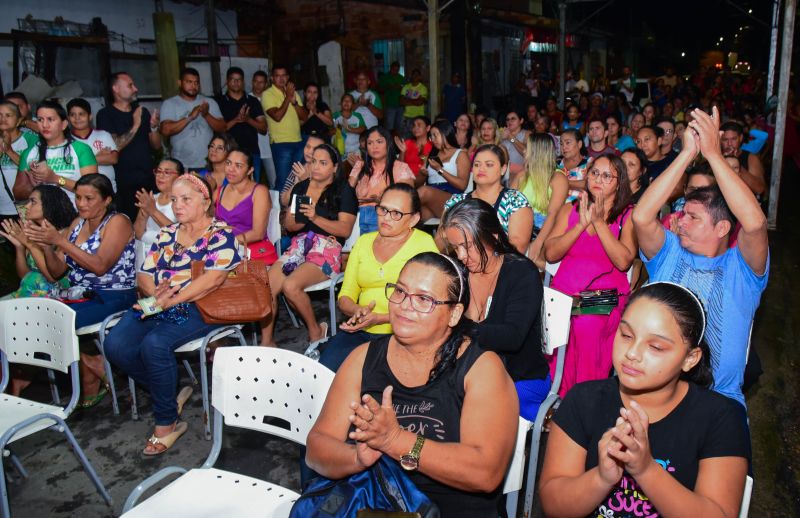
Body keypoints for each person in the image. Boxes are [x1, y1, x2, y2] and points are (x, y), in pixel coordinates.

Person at [306, 252, 519, 518]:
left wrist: (396, 440)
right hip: (373, 503)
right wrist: (356, 459)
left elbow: (486, 472)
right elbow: (316, 447)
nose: (405, 305)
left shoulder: (481, 370)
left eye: (424, 299)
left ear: (454, 314)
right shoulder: (363, 358)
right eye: (400, 292)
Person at [539, 282, 749, 518]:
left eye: (656, 347)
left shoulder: (720, 418)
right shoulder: (583, 400)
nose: (632, 353)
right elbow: (554, 505)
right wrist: (601, 478)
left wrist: (646, 469)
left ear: (690, 358)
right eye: (626, 335)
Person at [633, 107, 769, 408]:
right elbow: (642, 216)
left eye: (692, 217)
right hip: (657, 392)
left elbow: (756, 223)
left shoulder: (741, 269)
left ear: (722, 228)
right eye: (682, 213)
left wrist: (714, 155)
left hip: (717, 401)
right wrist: (687, 153)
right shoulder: (668, 252)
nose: (680, 221)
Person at [104, 173, 243, 455]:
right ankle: (166, 393)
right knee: (114, 344)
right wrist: (157, 295)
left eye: (186, 199)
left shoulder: (221, 234)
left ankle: (167, 424)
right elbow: (144, 272)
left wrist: (172, 299)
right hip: (158, 300)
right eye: (175, 199)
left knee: (155, 345)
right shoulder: (167, 233)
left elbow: (213, 280)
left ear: (205, 203)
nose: (177, 205)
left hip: (197, 306)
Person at [23, 174, 137, 408]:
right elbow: (56, 272)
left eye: (89, 198)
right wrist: (46, 247)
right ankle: (93, 364)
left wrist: (61, 242)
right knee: (33, 321)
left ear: (106, 200)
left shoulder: (118, 221)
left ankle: (91, 370)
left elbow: (100, 265)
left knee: (53, 324)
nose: (82, 203)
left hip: (114, 296)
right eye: (78, 198)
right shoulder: (77, 225)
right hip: (80, 296)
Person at [442, 199, 550, 421]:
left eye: (468, 245)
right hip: (472, 373)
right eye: (455, 248)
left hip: (519, 377)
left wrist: (456, 328)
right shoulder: (461, 273)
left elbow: (512, 337)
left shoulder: (521, 272)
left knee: (468, 408)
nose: (461, 255)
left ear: (493, 236)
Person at [317, 184, 437, 371]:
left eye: (396, 213)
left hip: (404, 334)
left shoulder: (423, 244)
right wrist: (358, 311)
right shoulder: (364, 242)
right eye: (383, 209)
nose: (386, 218)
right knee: (325, 369)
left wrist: (380, 318)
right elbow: (346, 295)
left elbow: (428, 304)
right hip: (361, 330)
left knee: (374, 376)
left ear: (413, 219)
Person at [545, 153, 636, 397]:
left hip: (605, 297)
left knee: (584, 324)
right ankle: (558, 396)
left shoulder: (627, 215)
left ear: (619, 182)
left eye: (607, 175)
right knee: (556, 321)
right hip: (564, 294)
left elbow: (624, 261)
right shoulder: (570, 210)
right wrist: (580, 226)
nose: (598, 179)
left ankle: (584, 397)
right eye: (594, 172)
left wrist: (599, 223)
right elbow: (550, 254)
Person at [263, 144, 357, 347]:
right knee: (267, 286)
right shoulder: (301, 188)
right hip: (300, 246)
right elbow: (289, 225)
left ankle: (316, 331)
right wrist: (302, 219)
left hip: (328, 250)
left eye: (323, 163)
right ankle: (267, 341)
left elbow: (344, 230)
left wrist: (315, 216)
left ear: (334, 167)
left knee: (290, 286)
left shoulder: (343, 190)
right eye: (313, 161)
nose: (315, 167)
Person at [443, 144, 533, 254]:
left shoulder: (514, 200)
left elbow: (518, 247)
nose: (481, 168)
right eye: (476, 165)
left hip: (503, 266)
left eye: (489, 165)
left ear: (503, 169)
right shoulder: (456, 201)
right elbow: (440, 243)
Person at [96, 72, 162, 221]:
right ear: (116, 89)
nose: (135, 88)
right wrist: (136, 124)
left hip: (147, 179)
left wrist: (153, 128)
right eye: (130, 85)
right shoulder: (105, 115)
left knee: (152, 221)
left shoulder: (141, 111)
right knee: (129, 223)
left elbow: (157, 146)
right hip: (124, 182)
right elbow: (115, 146)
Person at [14, 100, 98, 205]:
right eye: (40, 120)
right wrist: (32, 185)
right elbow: (17, 194)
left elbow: (91, 191)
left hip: (75, 216)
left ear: (64, 124)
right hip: (41, 218)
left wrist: (55, 179)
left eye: (50, 119)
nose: (44, 125)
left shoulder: (81, 149)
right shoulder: (29, 153)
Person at [1, 185, 76, 298]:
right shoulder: (33, 231)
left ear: (49, 205)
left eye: (33, 202)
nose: (26, 206)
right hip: (31, 291)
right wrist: (20, 247)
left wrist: (30, 245)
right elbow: (25, 276)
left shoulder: (66, 233)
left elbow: (52, 278)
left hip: (56, 294)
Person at [514, 134, 569, 267]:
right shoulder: (522, 176)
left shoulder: (558, 178)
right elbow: (511, 207)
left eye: (528, 147)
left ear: (537, 152)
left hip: (545, 232)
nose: (524, 151)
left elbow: (553, 214)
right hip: (521, 230)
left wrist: (538, 242)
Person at [348, 126, 415, 234]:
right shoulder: (360, 166)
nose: (374, 146)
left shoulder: (400, 168)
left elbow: (408, 199)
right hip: (356, 218)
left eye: (379, 142)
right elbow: (347, 192)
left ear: (388, 143)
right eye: (370, 143)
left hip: (385, 218)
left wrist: (381, 200)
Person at [160, 68, 226, 173]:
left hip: (207, 163)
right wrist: (190, 117)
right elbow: (165, 130)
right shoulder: (170, 104)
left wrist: (206, 115)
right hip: (181, 165)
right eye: (189, 82)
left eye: (196, 83)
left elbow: (223, 127)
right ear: (180, 83)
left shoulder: (209, 102)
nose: (193, 86)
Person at [214, 67, 267, 182]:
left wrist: (248, 119)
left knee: (252, 190)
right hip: (227, 153)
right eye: (233, 79)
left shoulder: (252, 101)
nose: (236, 82)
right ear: (227, 81)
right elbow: (219, 129)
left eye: (239, 80)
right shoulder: (219, 101)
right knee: (227, 188)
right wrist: (236, 120)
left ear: (243, 82)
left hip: (251, 153)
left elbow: (263, 128)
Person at [262, 65, 308, 191]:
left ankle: (291, 208)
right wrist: (288, 97)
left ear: (288, 77)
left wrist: (294, 102)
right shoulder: (267, 94)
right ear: (272, 78)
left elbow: (304, 117)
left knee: (297, 179)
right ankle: (279, 209)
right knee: (283, 180)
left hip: (298, 141)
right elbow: (277, 116)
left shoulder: (293, 93)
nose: (281, 79)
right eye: (277, 76)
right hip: (281, 143)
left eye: (284, 75)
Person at [417, 120, 471, 221]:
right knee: (413, 216)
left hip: (452, 198)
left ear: (445, 133)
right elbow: (418, 184)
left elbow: (462, 185)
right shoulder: (432, 155)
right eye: (431, 136)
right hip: (432, 201)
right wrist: (422, 174)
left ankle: (399, 205)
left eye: (435, 135)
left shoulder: (460, 154)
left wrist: (439, 170)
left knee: (424, 191)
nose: (433, 139)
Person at [133, 158, 179, 270]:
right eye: (158, 171)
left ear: (179, 177)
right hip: (143, 255)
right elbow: (137, 233)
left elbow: (178, 234)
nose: (160, 176)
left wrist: (153, 211)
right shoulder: (151, 199)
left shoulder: (181, 201)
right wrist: (144, 215)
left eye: (167, 172)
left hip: (167, 259)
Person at [67, 98, 119, 191]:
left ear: (90, 116)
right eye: (72, 115)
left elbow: (113, 158)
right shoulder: (66, 140)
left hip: (109, 192)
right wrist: (100, 157)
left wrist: (80, 161)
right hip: (79, 193)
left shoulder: (103, 134)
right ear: (68, 118)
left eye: (81, 114)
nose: (77, 118)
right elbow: (67, 164)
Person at [0, 99, 38, 220]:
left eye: (8, 115)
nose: (2, 119)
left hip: (25, 206)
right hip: (1, 208)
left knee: (26, 238)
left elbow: (33, 170)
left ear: (18, 121)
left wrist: (9, 151)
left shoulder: (32, 140)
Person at [720, 121, 766, 197]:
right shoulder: (716, 156)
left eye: (734, 139)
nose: (729, 144)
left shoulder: (750, 158)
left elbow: (760, 189)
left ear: (740, 138)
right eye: (725, 140)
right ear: (720, 140)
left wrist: (736, 165)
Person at [280, 133, 326, 208]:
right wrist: (297, 183)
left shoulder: (326, 173)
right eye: (308, 146)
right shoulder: (298, 169)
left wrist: (305, 181)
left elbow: (323, 205)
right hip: (294, 214)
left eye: (315, 149)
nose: (310, 151)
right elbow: (283, 202)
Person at [249, 70, 277, 188]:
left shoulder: (270, 99)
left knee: (274, 180)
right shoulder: (247, 99)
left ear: (266, 84)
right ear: (252, 82)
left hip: (268, 145)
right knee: (252, 182)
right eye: (256, 82)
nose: (258, 85)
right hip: (253, 146)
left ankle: (275, 205)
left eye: (261, 82)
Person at [558, 128, 590, 203]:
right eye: (561, 144)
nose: (564, 147)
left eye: (568, 143)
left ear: (579, 144)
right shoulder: (557, 163)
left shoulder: (589, 163)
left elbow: (587, 184)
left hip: (578, 208)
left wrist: (563, 183)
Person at [378, 62, 406, 134]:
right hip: (389, 105)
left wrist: (400, 87)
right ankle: (389, 141)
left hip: (400, 105)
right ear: (391, 68)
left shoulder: (401, 78)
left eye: (397, 70)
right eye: (394, 69)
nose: (395, 71)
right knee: (389, 126)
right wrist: (388, 87)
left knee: (400, 126)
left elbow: (406, 90)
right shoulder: (385, 77)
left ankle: (398, 142)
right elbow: (379, 89)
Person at [500, 110, 529, 178]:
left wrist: (511, 138)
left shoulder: (527, 134)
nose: (509, 121)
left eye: (513, 119)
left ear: (521, 121)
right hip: (504, 173)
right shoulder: (502, 133)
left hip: (521, 174)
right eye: (507, 119)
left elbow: (527, 152)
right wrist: (500, 139)